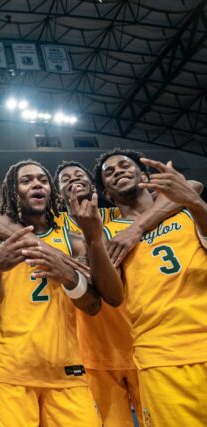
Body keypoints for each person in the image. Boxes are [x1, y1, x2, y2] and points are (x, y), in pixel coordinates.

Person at [0, 160, 103, 427]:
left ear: (51, 190)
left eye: (42, 180)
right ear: (12, 192)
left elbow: (93, 305)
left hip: (68, 370)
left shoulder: (74, 239)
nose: (36, 184)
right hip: (11, 371)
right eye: (26, 180)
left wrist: (68, 276)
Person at [91, 148, 207, 425]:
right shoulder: (108, 233)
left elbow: (193, 186)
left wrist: (138, 228)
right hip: (162, 355)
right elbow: (111, 296)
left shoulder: (186, 209)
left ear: (145, 176)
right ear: (108, 194)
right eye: (110, 172)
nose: (118, 170)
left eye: (124, 165)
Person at [54, 160, 143, 426]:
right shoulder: (54, 225)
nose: (73, 178)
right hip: (91, 350)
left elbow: (192, 186)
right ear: (58, 194)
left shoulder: (116, 217)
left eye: (79, 174)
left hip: (137, 341)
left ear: (94, 185)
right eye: (65, 178)